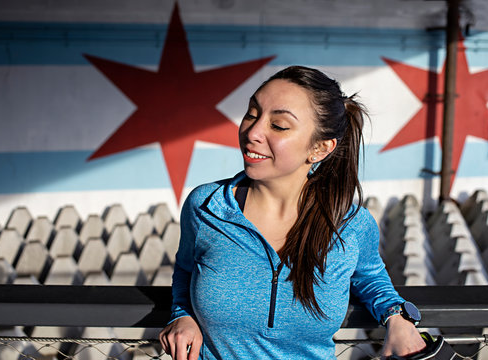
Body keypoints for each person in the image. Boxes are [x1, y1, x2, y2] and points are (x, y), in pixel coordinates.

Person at [159, 65, 426, 360]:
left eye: (279, 125)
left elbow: (371, 278)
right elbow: (185, 270)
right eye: (252, 113)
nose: (253, 132)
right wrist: (181, 315)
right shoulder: (207, 207)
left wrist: (398, 317)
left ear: (320, 149)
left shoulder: (351, 225)